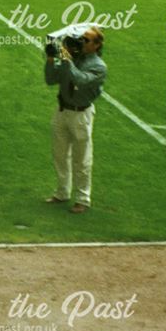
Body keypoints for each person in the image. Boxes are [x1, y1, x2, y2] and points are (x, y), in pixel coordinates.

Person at [44, 26, 107, 214]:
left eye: (86, 40)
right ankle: (62, 192)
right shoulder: (72, 57)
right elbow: (50, 79)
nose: (81, 42)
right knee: (59, 154)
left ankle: (82, 199)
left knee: (82, 160)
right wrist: (50, 59)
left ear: (97, 45)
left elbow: (79, 79)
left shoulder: (98, 66)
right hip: (62, 110)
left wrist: (66, 59)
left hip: (81, 115)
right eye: (81, 38)